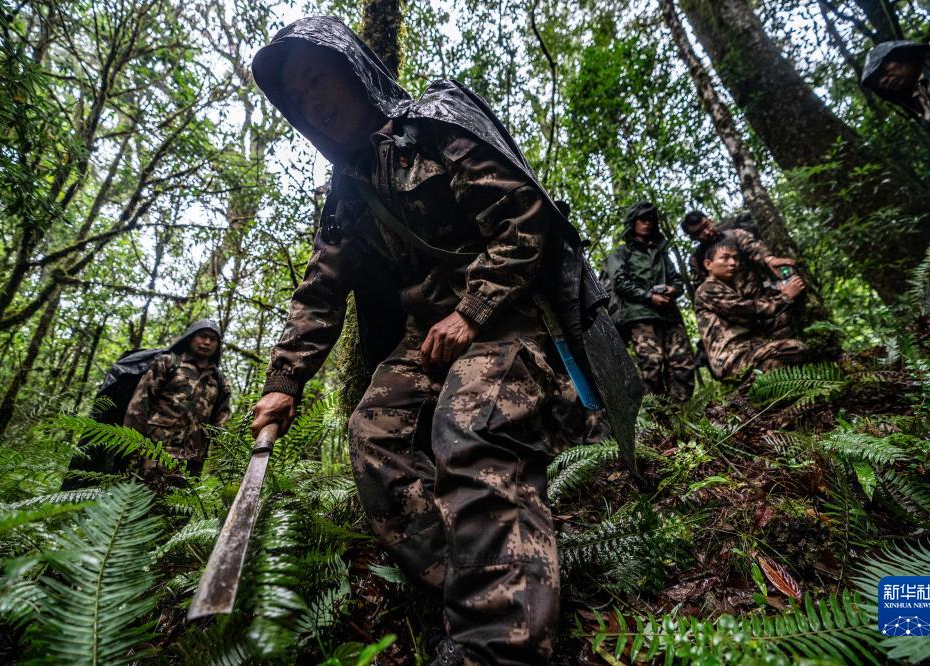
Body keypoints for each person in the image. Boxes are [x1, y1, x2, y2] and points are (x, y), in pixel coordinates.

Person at [246, 17, 640, 665]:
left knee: (469, 430)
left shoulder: (433, 126)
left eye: (319, 80)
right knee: (373, 438)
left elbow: (524, 219)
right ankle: (487, 587)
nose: (313, 102)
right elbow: (319, 294)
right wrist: (284, 383)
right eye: (298, 96)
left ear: (354, 73)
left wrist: (472, 311)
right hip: (425, 336)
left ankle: (499, 644)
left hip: (506, 312)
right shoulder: (344, 196)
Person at [605, 201, 694, 402]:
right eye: (642, 219)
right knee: (651, 367)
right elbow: (619, 282)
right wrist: (648, 297)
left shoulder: (661, 253)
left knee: (683, 365)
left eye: (650, 220)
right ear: (633, 222)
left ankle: (682, 412)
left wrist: (673, 289)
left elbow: (677, 280)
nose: (647, 223)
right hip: (640, 317)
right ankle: (659, 418)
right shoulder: (622, 253)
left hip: (669, 316)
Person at [123, 319, 231, 482]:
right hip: (154, 452)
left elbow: (221, 420)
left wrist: (217, 458)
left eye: (213, 339)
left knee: (179, 499)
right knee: (139, 496)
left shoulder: (218, 380)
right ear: (191, 337)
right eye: (202, 336)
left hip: (192, 461)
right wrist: (132, 447)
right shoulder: (168, 363)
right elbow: (139, 405)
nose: (207, 342)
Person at [694, 240, 807, 380]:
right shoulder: (707, 288)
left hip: (748, 350)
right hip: (732, 358)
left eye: (735, 258)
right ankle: (747, 390)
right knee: (794, 349)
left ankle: (761, 385)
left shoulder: (729, 288)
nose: (733, 263)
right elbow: (747, 310)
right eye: (725, 258)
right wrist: (785, 297)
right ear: (708, 264)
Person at [862, 36, 930, 159]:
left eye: (883, 70)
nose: (883, 81)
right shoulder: (919, 106)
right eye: (877, 80)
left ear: (902, 55)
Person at [681, 210, 796, 293]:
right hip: (732, 305)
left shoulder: (735, 235)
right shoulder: (697, 259)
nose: (706, 232)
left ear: (711, 221)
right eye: (699, 232)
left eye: (706, 226)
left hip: (762, 293)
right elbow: (703, 290)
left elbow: (753, 248)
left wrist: (769, 259)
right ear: (693, 237)